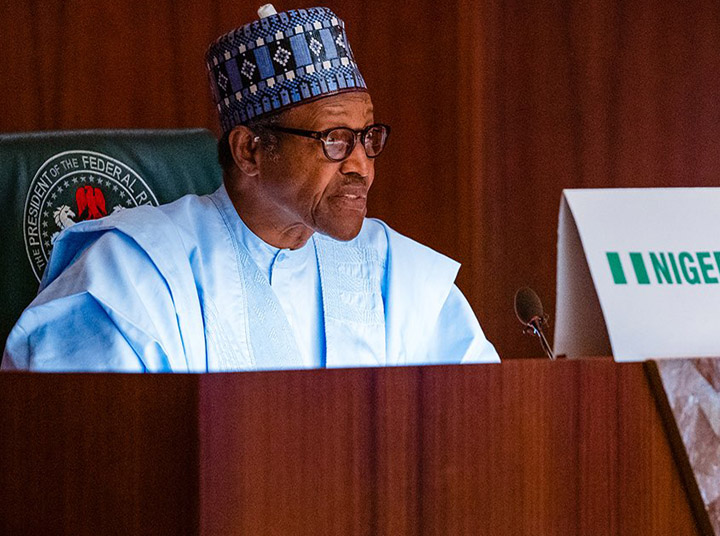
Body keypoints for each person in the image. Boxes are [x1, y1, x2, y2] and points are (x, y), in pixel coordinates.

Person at [2, 5, 497, 371]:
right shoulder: (134, 274)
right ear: (250, 151)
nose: (361, 167)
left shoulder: (398, 275)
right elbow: (96, 447)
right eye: (334, 140)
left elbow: (480, 418)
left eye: (368, 138)